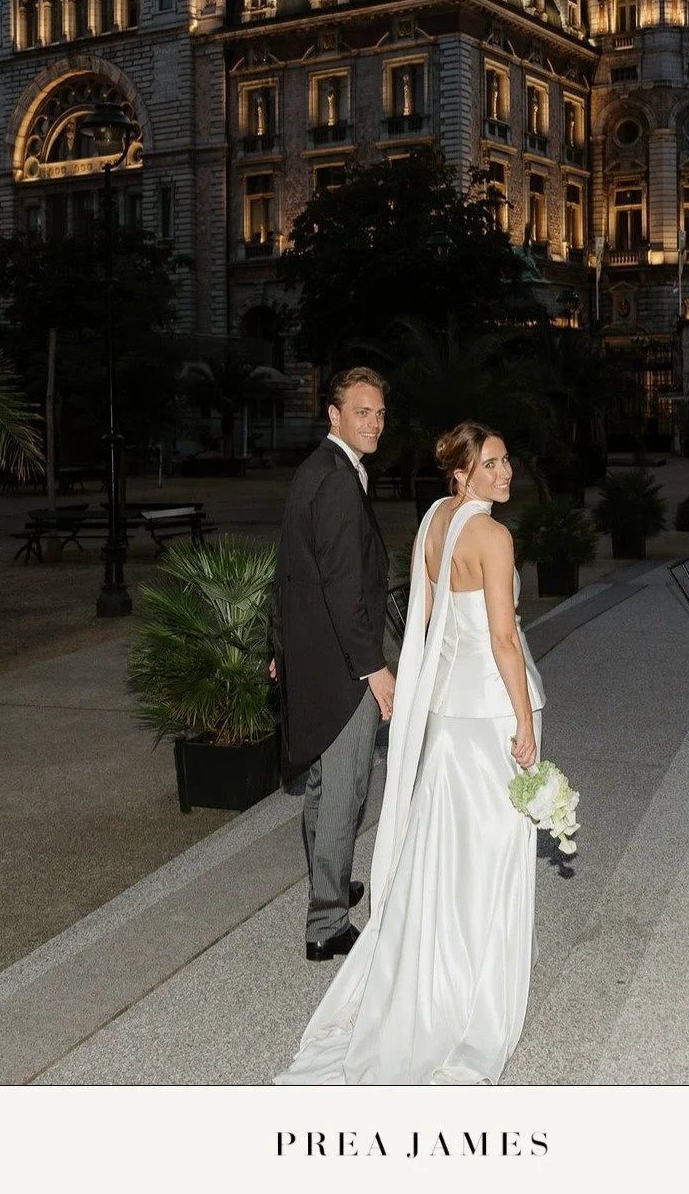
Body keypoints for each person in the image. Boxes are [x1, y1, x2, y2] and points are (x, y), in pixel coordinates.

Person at [275, 422, 545, 1084]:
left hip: (449, 713)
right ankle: (475, 984)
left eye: (506, 459)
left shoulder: (433, 522)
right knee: (492, 848)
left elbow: (429, 623)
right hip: (489, 712)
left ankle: (428, 964)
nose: (504, 472)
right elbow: (505, 641)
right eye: (490, 463)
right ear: (461, 473)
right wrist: (523, 721)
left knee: (445, 848)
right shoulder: (493, 535)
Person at [271, 367, 396, 963]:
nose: (373, 422)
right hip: (343, 668)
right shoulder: (338, 482)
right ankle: (326, 924)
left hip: (313, 658)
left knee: (323, 785)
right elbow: (344, 587)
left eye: (379, 413)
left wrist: (278, 649)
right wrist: (374, 668)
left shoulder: (315, 471)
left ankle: (331, 881)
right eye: (362, 411)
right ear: (335, 414)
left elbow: (291, 571)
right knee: (344, 791)